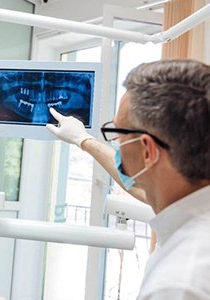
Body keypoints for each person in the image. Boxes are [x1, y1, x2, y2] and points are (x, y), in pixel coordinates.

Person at [46, 59, 210, 299]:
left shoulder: (177, 284)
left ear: (147, 151)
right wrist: (83, 139)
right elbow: (145, 188)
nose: (116, 144)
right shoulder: (191, 207)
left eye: (117, 132)